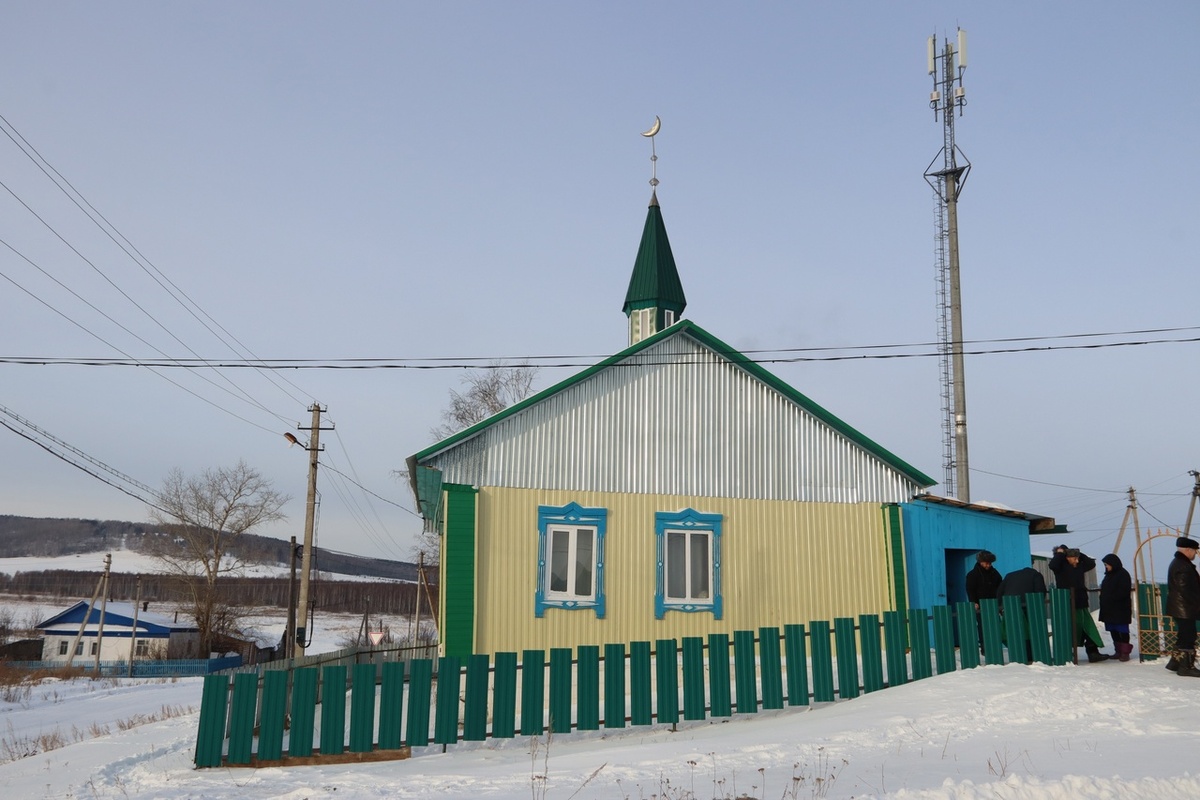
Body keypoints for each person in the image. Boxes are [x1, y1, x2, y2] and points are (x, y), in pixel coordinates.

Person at [1049, 544, 1109, 662]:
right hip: (1067, 603)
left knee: (1088, 628)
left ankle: (1093, 653)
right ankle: (1067, 653)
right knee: (1069, 629)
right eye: (1073, 557)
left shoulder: (1079, 566)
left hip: (1081, 602)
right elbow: (1053, 564)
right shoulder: (1060, 567)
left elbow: (1091, 564)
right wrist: (1060, 554)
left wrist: (1078, 553)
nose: (1076, 560)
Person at [997, 565, 1048, 662]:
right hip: (1026, 607)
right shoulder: (1036, 575)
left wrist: (999, 606)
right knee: (1028, 632)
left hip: (1009, 607)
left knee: (1012, 632)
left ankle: (1016, 653)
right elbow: (1040, 591)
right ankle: (1029, 656)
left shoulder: (1010, 575)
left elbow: (1000, 591)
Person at [1166, 536, 1200, 678]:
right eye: (1195, 551)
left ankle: (1175, 662)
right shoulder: (1183, 566)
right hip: (1185, 608)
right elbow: (1185, 589)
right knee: (1188, 636)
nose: (1196, 554)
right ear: (1188, 550)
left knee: (1184, 635)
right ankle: (1186, 667)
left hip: (1181, 607)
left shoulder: (1178, 563)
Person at [1098, 553, 1133, 662]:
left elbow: (1123, 591)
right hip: (1109, 609)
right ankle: (1118, 651)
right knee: (1113, 630)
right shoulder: (1108, 575)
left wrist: (1110, 598)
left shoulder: (1123, 574)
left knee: (1122, 631)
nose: (1106, 567)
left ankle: (1125, 652)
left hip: (1120, 609)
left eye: (1107, 564)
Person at [965, 550, 1002, 649]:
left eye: (990, 563)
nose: (988, 565)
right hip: (981, 605)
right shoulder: (972, 575)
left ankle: (996, 647)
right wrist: (973, 602)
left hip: (993, 604)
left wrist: (999, 603)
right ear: (980, 562)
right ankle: (985, 648)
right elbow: (970, 590)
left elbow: (1000, 587)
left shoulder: (995, 574)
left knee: (995, 626)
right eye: (986, 563)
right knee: (983, 627)